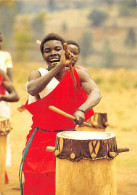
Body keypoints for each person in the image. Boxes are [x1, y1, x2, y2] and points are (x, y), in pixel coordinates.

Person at [21, 33, 101, 195]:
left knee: (68, 182)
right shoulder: (37, 75)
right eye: (47, 50)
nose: (53, 53)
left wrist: (81, 109)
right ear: (43, 55)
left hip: (68, 138)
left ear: (65, 50)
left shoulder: (79, 73)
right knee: (37, 182)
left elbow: (96, 93)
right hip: (40, 140)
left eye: (57, 49)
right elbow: (32, 89)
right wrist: (59, 66)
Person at [0, 32, 14, 183]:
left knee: (3, 136)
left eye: (1, 40)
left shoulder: (5, 56)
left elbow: (10, 81)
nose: (0, 43)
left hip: (2, 102)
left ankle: (1, 169)